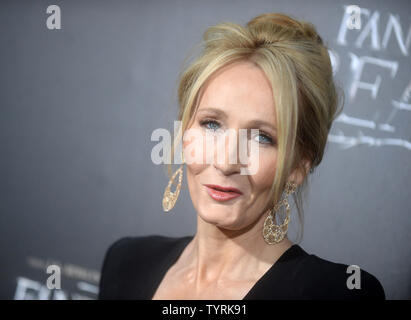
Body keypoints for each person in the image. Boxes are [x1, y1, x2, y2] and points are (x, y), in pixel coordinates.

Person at [98, 12, 385, 300]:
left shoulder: (336, 294)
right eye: (211, 124)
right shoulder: (126, 263)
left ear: (298, 166)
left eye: (262, 137)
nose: (225, 162)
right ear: (184, 133)